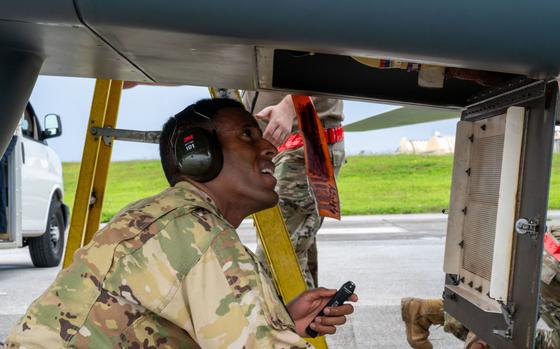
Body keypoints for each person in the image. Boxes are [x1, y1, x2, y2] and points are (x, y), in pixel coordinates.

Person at [4, 98, 357, 348]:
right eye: (247, 136)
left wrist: (277, 321)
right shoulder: (200, 236)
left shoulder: (168, 215)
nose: (269, 147)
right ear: (199, 157)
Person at [242, 91, 345, 289]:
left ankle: (290, 319)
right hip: (278, 149)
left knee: (279, 259)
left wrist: (289, 107)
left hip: (303, 146)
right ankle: (305, 317)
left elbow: (330, 67)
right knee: (293, 254)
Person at [401, 226, 560, 349]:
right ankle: (489, 337)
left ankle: (427, 312)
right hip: (553, 266)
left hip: (546, 248)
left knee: (518, 321)